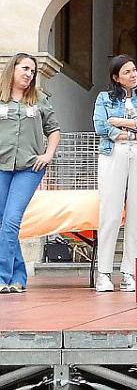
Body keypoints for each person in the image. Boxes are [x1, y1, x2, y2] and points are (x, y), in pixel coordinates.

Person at [92, 55, 137, 292]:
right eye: (127, 72)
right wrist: (134, 132)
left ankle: (129, 271)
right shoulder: (104, 98)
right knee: (110, 212)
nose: (133, 75)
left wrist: (119, 122)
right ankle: (104, 272)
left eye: (134, 70)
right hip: (113, 154)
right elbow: (100, 126)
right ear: (116, 77)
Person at [0, 53, 60, 293]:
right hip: (1, 165)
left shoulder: (39, 99)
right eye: (25, 68)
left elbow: (53, 129)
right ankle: (18, 277)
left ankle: (2, 276)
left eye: (33, 71)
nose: (29, 74)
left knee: (11, 220)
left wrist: (48, 155)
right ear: (12, 68)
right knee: (3, 222)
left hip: (29, 168)